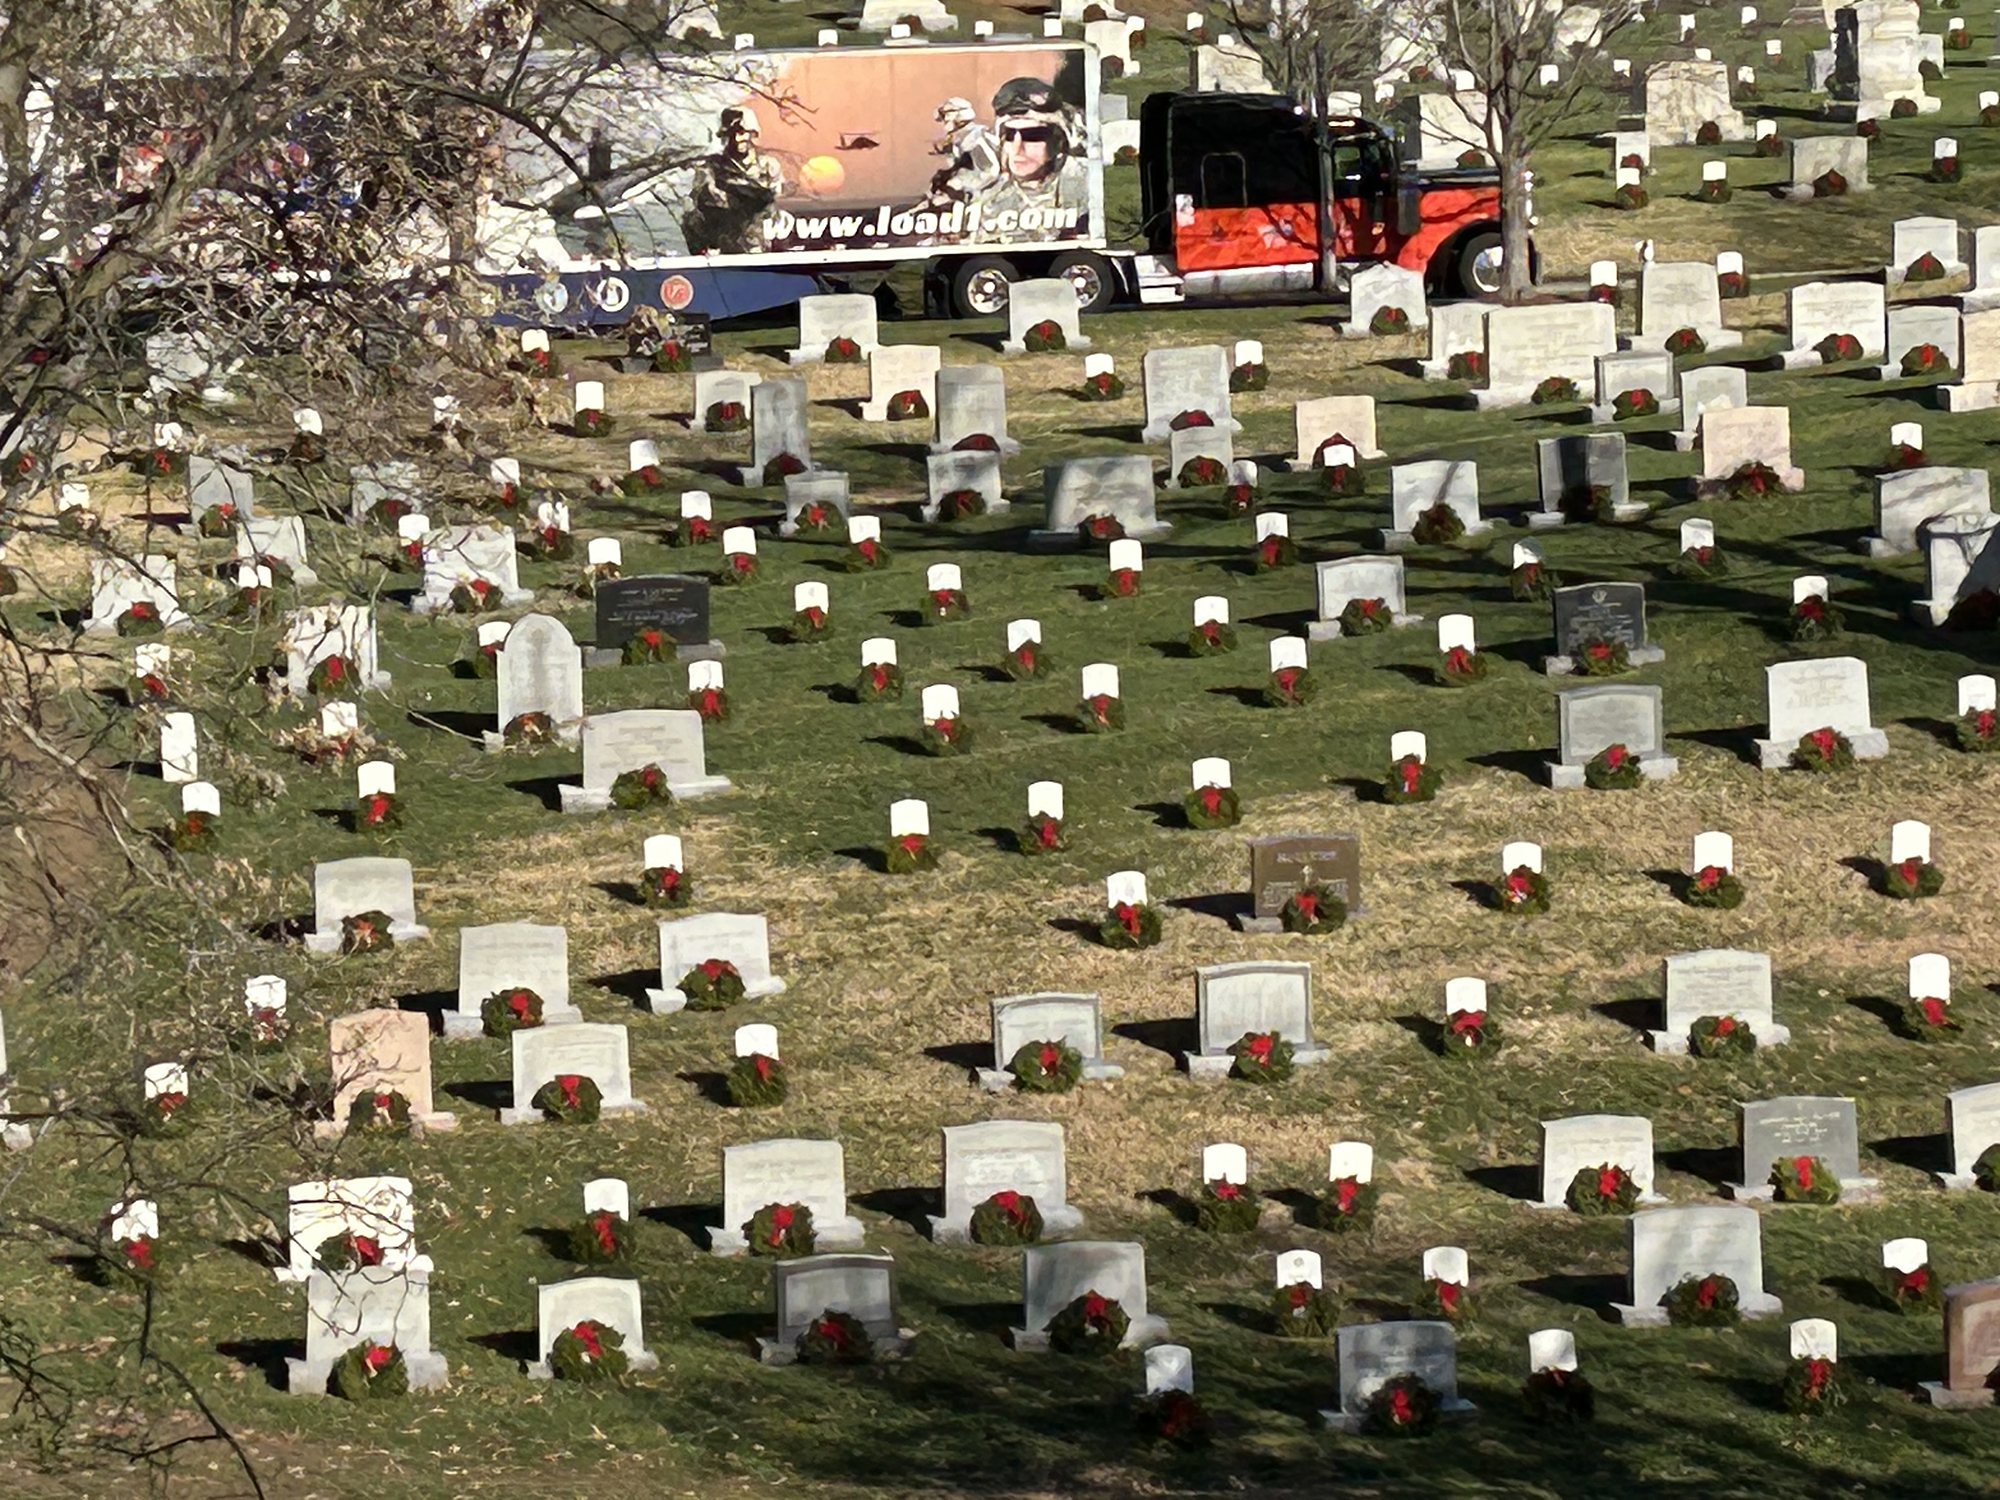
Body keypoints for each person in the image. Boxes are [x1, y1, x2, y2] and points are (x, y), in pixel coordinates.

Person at [971, 77, 1088, 242]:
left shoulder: (1086, 182)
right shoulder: (989, 196)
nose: (1017, 148)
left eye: (1032, 136)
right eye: (1010, 136)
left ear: (1058, 142)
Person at [681, 106, 786, 255]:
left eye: (742, 133)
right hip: (723, 251)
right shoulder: (711, 167)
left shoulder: (769, 165)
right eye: (732, 134)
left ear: (752, 133)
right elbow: (709, 202)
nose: (737, 139)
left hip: (763, 248)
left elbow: (777, 201)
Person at [923, 96, 997, 209]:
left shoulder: (975, 136)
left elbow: (990, 170)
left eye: (948, 114)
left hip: (986, 200)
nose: (946, 119)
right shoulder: (959, 138)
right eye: (944, 115)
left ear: (962, 115)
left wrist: (958, 185)